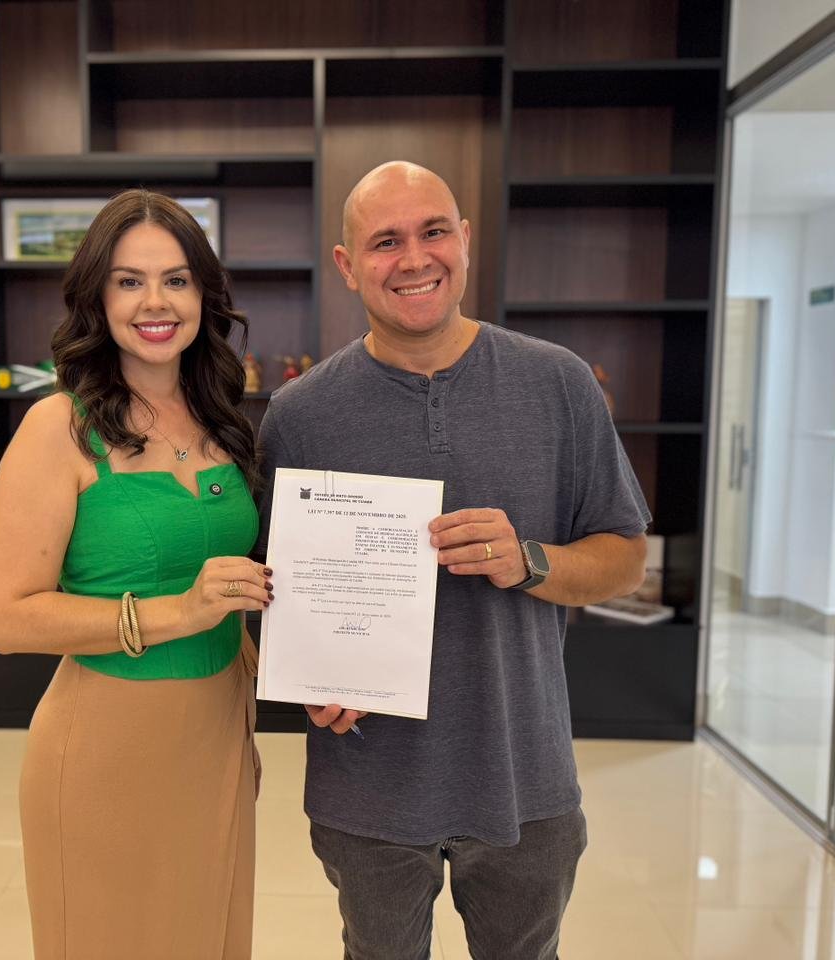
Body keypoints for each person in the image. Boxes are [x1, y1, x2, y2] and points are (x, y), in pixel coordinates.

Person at [255, 161, 651, 960]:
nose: (414, 258)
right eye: (385, 241)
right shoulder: (299, 414)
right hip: (367, 785)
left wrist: (529, 560)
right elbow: (273, 591)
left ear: (465, 241)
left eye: (434, 231)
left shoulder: (560, 384)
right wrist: (307, 680)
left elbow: (625, 558)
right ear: (347, 265)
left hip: (523, 774)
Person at [0, 188, 270, 960]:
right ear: (97, 298)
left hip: (215, 734)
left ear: (203, 295)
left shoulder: (223, 421)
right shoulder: (58, 427)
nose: (156, 302)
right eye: (129, 281)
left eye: (176, 279)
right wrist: (178, 612)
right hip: (107, 749)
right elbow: (8, 617)